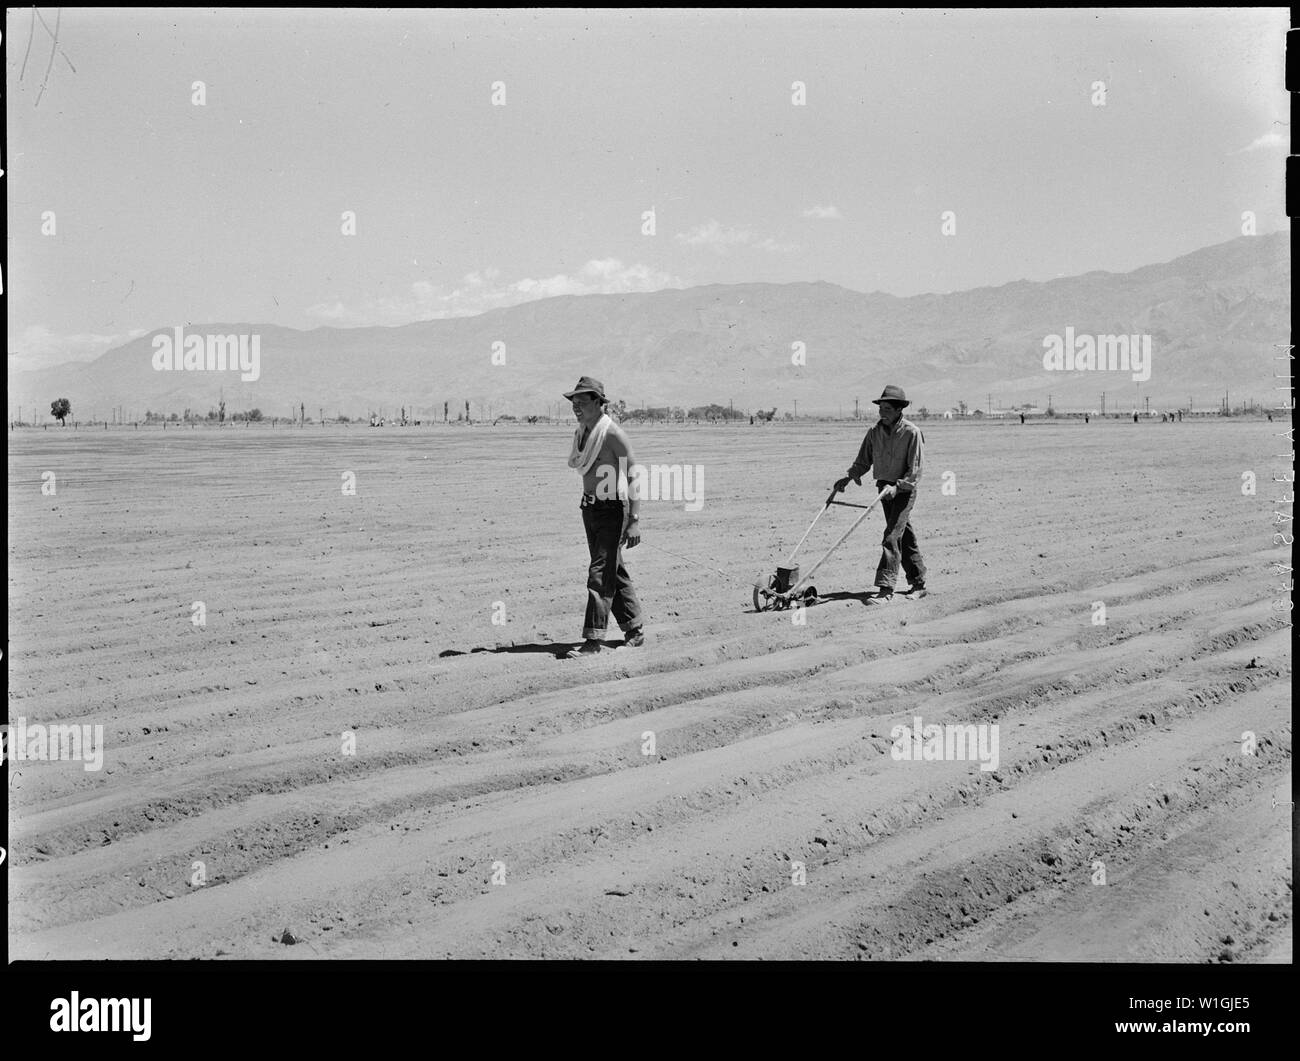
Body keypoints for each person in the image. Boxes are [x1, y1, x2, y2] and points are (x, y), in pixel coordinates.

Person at [562, 376, 644, 657]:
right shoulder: (581, 433)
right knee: (613, 571)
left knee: (599, 574)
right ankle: (635, 629)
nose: (576, 406)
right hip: (590, 509)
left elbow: (633, 474)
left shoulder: (611, 434)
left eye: (582, 401)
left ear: (599, 402)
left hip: (611, 510)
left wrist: (633, 520)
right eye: (574, 402)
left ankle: (593, 640)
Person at [833, 384, 926, 603]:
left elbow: (915, 470)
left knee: (892, 536)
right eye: (880, 407)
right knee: (905, 536)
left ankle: (886, 590)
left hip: (903, 490)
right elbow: (863, 460)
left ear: (898, 410)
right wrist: (848, 477)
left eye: (886, 408)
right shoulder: (874, 432)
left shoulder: (912, 432)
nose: (881, 412)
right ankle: (919, 582)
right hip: (883, 489)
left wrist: (898, 486)